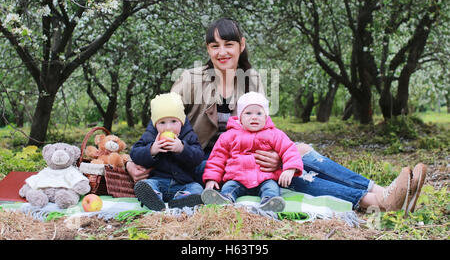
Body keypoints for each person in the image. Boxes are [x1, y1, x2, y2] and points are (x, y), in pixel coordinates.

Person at [126, 18, 427, 215]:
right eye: (214, 46)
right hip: (206, 161)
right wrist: (131, 161)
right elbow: (161, 122)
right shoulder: (190, 80)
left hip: (248, 147)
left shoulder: (252, 80)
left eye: (228, 44)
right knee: (279, 173)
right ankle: (375, 200)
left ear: (241, 45)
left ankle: (379, 191)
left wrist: (278, 152)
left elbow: (264, 125)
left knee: (296, 154)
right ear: (208, 49)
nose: (222, 52)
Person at [201, 92, 303, 212]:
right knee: (229, 187)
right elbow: (217, 158)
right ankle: (225, 199)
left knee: (271, 188)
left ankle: (270, 201)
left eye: (259, 113)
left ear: (266, 117)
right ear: (240, 117)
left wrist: (290, 168)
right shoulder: (229, 135)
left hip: (265, 178)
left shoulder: (274, 134)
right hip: (237, 178)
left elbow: (289, 149)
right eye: (248, 113)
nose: (254, 117)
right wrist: (212, 178)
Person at [130, 92, 204, 211]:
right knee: (147, 184)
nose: (168, 127)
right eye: (162, 122)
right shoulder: (151, 136)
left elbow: (199, 156)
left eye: (173, 121)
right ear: (155, 124)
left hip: (183, 183)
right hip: (159, 181)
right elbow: (135, 153)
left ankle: (182, 200)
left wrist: (182, 149)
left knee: (197, 188)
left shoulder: (188, 136)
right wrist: (152, 150)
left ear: (182, 121)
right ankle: (154, 197)